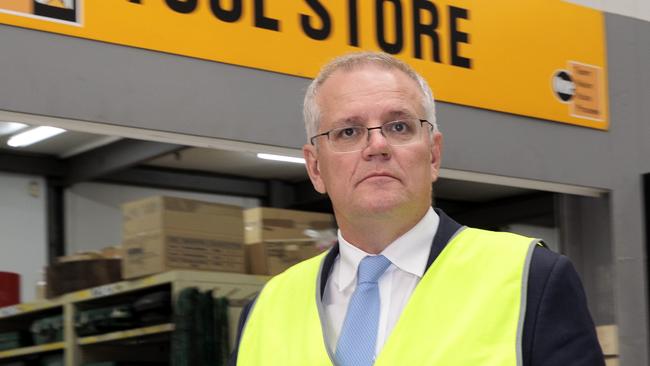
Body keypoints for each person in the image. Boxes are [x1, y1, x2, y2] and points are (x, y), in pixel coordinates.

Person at [229, 52, 604, 366]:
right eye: (348, 132)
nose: (377, 145)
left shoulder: (531, 280)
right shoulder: (265, 309)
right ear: (315, 168)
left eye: (398, 127)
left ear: (434, 154)